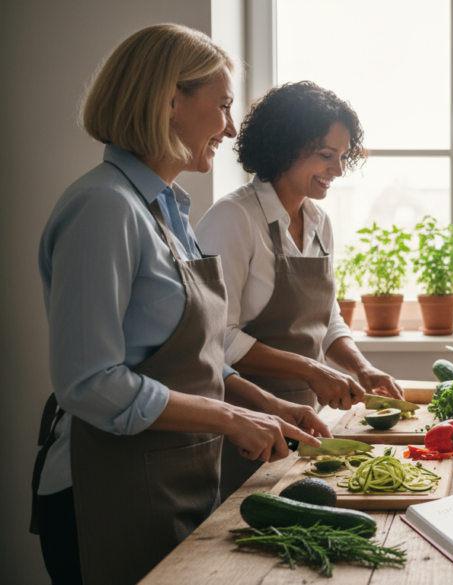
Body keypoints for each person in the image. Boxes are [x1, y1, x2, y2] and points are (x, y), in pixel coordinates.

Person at [32, 25, 328, 585]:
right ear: (170, 101)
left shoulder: (168, 209)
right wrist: (229, 416)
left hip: (171, 478)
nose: (231, 127)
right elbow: (90, 382)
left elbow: (200, 355)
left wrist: (265, 403)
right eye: (221, 105)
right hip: (105, 490)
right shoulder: (104, 207)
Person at [196, 81, 404, 498]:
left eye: (342, 157)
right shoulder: (233, 219)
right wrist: (311, 369)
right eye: (326, 155)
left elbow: (326, 319)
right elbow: (218, 337)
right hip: (246, 421)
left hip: (306, 416)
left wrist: (360, 367)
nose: (338, 170)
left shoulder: (318, 221)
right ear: (284, 147)